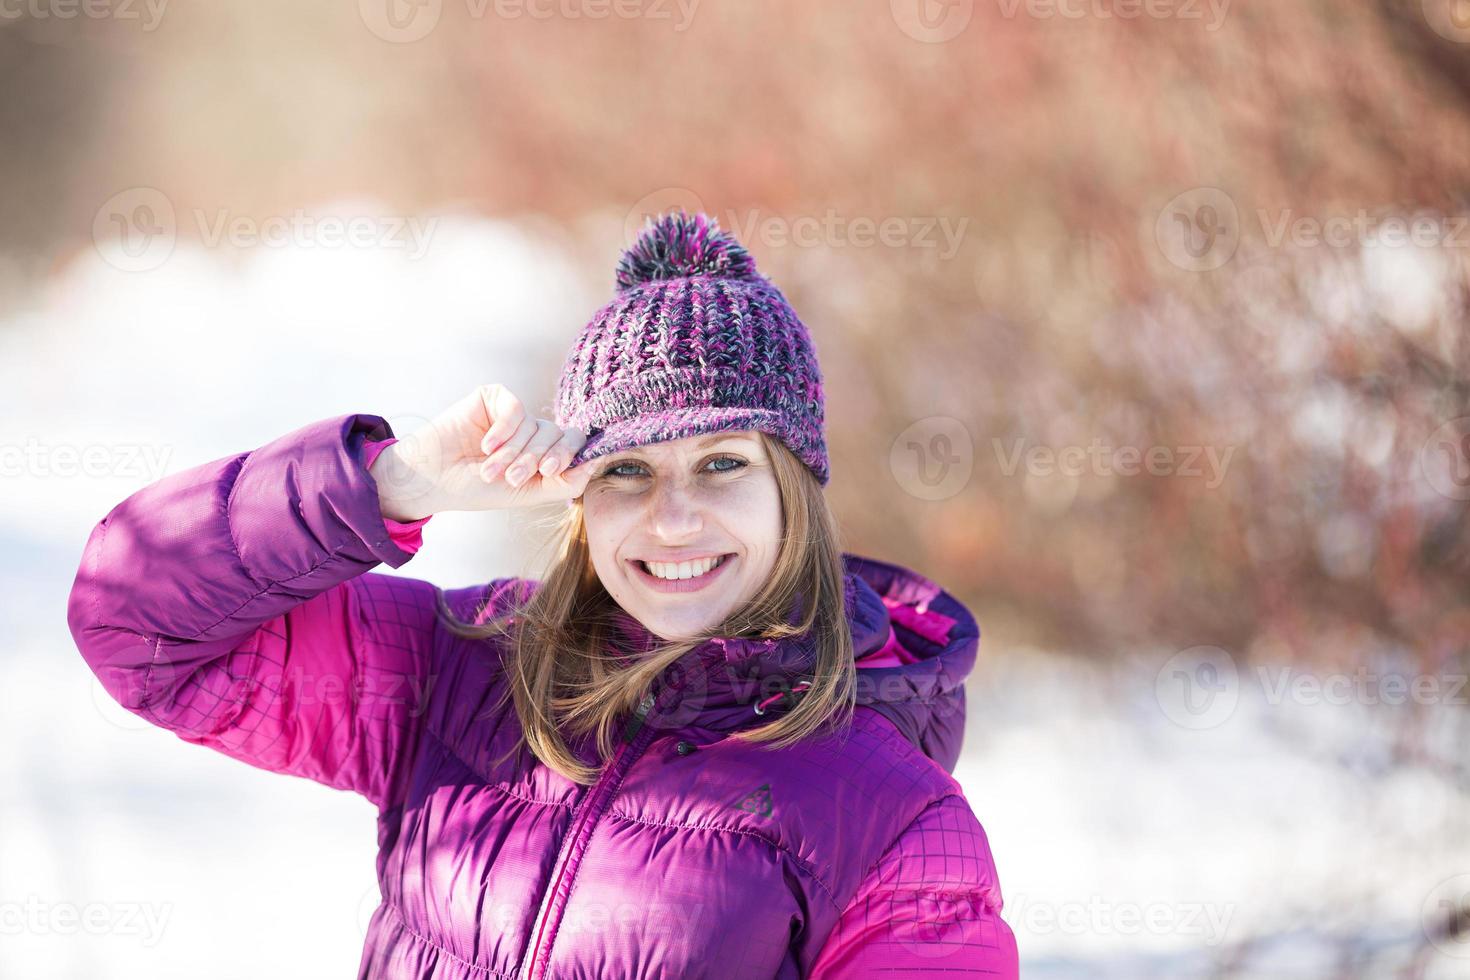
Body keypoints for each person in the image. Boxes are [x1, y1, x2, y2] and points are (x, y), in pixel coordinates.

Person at [66, 210, 1019, 979]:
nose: (674, 518)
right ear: (573, 492)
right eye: (627, 472)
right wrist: (396, 485)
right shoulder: (464, 665)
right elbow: (133, 615)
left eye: (723, 464)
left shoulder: (899, 822)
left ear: (795, 493)